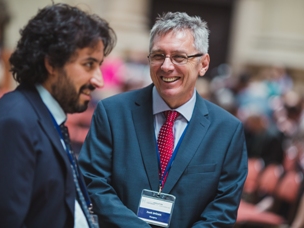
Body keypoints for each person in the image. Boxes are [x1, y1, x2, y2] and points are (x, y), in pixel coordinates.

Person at [79, 12, 248, 227]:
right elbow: (93, 183)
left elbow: (222, 210)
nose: (166, 66)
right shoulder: (112, 113)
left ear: (203, 64)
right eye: (158, 55)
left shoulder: (227, 131)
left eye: (179, 57)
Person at [0, 3, 116, 227]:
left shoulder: (46, 116)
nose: (98, 81)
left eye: (99, 66)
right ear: (52, 62)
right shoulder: (12, 123)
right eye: (88, 65)